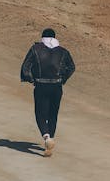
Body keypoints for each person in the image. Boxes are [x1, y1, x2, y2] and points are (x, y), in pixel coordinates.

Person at [20, 27, 75, 156]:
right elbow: (72, 67)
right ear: (55, 38)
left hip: (41, 85)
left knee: (40, 113)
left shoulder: (35, 49)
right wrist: (63, 79)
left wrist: (30, 79)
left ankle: (47, 138)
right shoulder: (63, 51)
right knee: (53, 113)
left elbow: (25, 67)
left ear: (42, 37)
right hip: (57, 86)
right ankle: (51, 138)